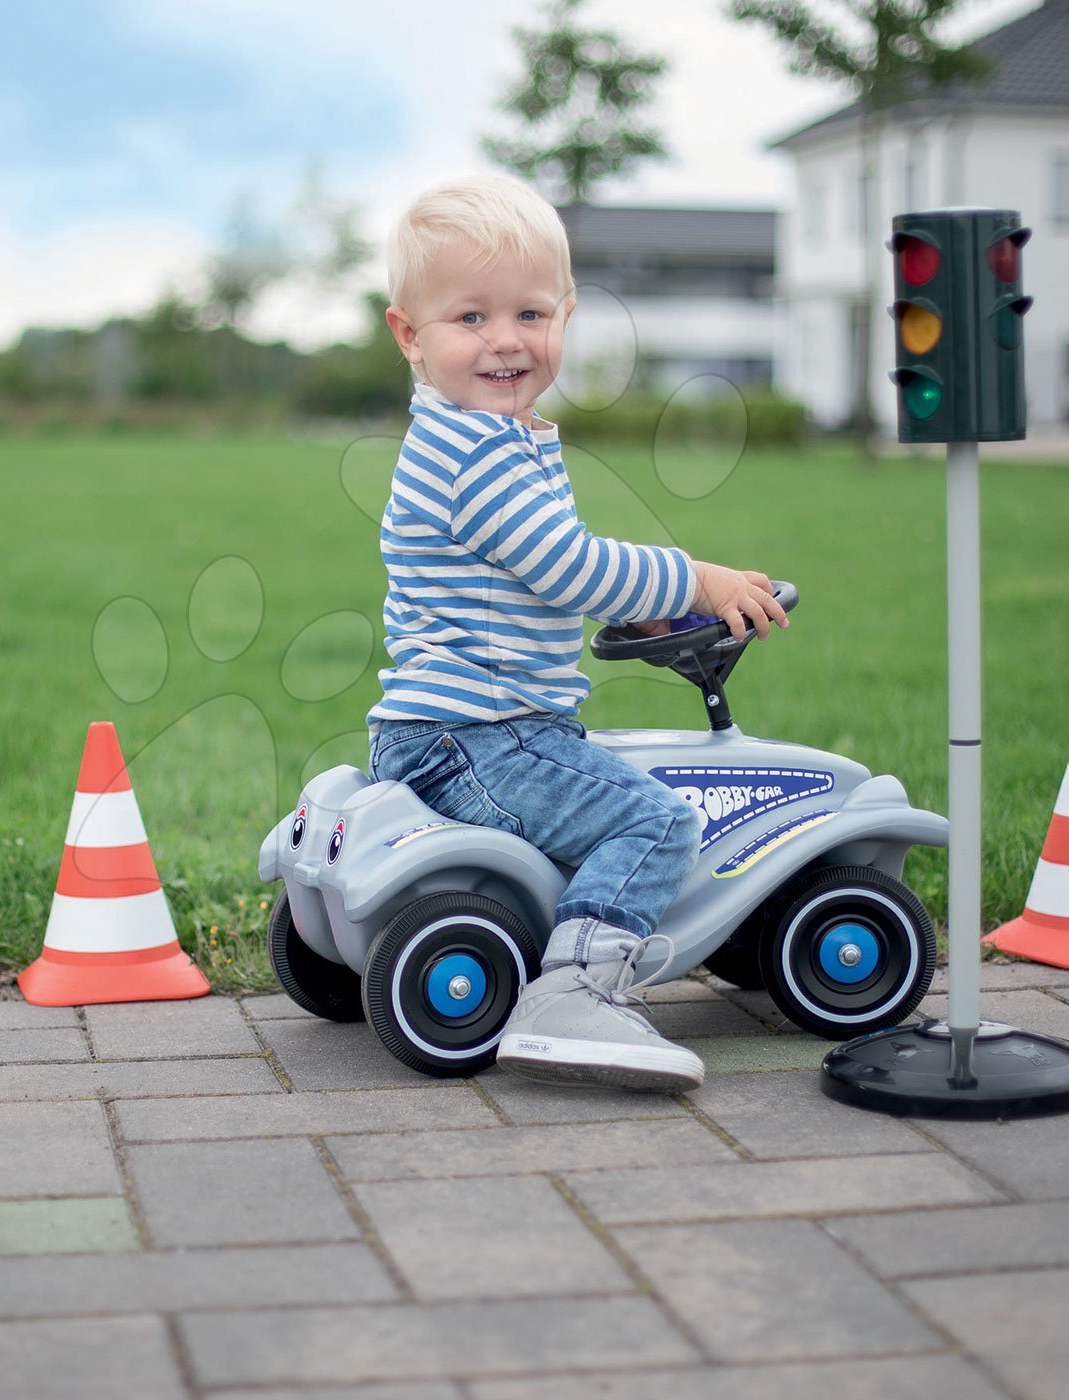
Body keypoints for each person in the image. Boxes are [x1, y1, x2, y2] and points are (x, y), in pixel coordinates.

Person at [366, 174, 787, 1092]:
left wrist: (643, 609)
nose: (506, 340)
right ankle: (580, 991)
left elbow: (534, 579)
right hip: (484, 736)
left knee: (608, 782)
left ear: (565, 315)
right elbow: (567, 565)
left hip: (456, 730)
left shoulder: (480, 436)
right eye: (470, 318)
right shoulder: (473, 452)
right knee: (655, 818)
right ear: (410, 335)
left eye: (530, 313)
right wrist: (697, 580)